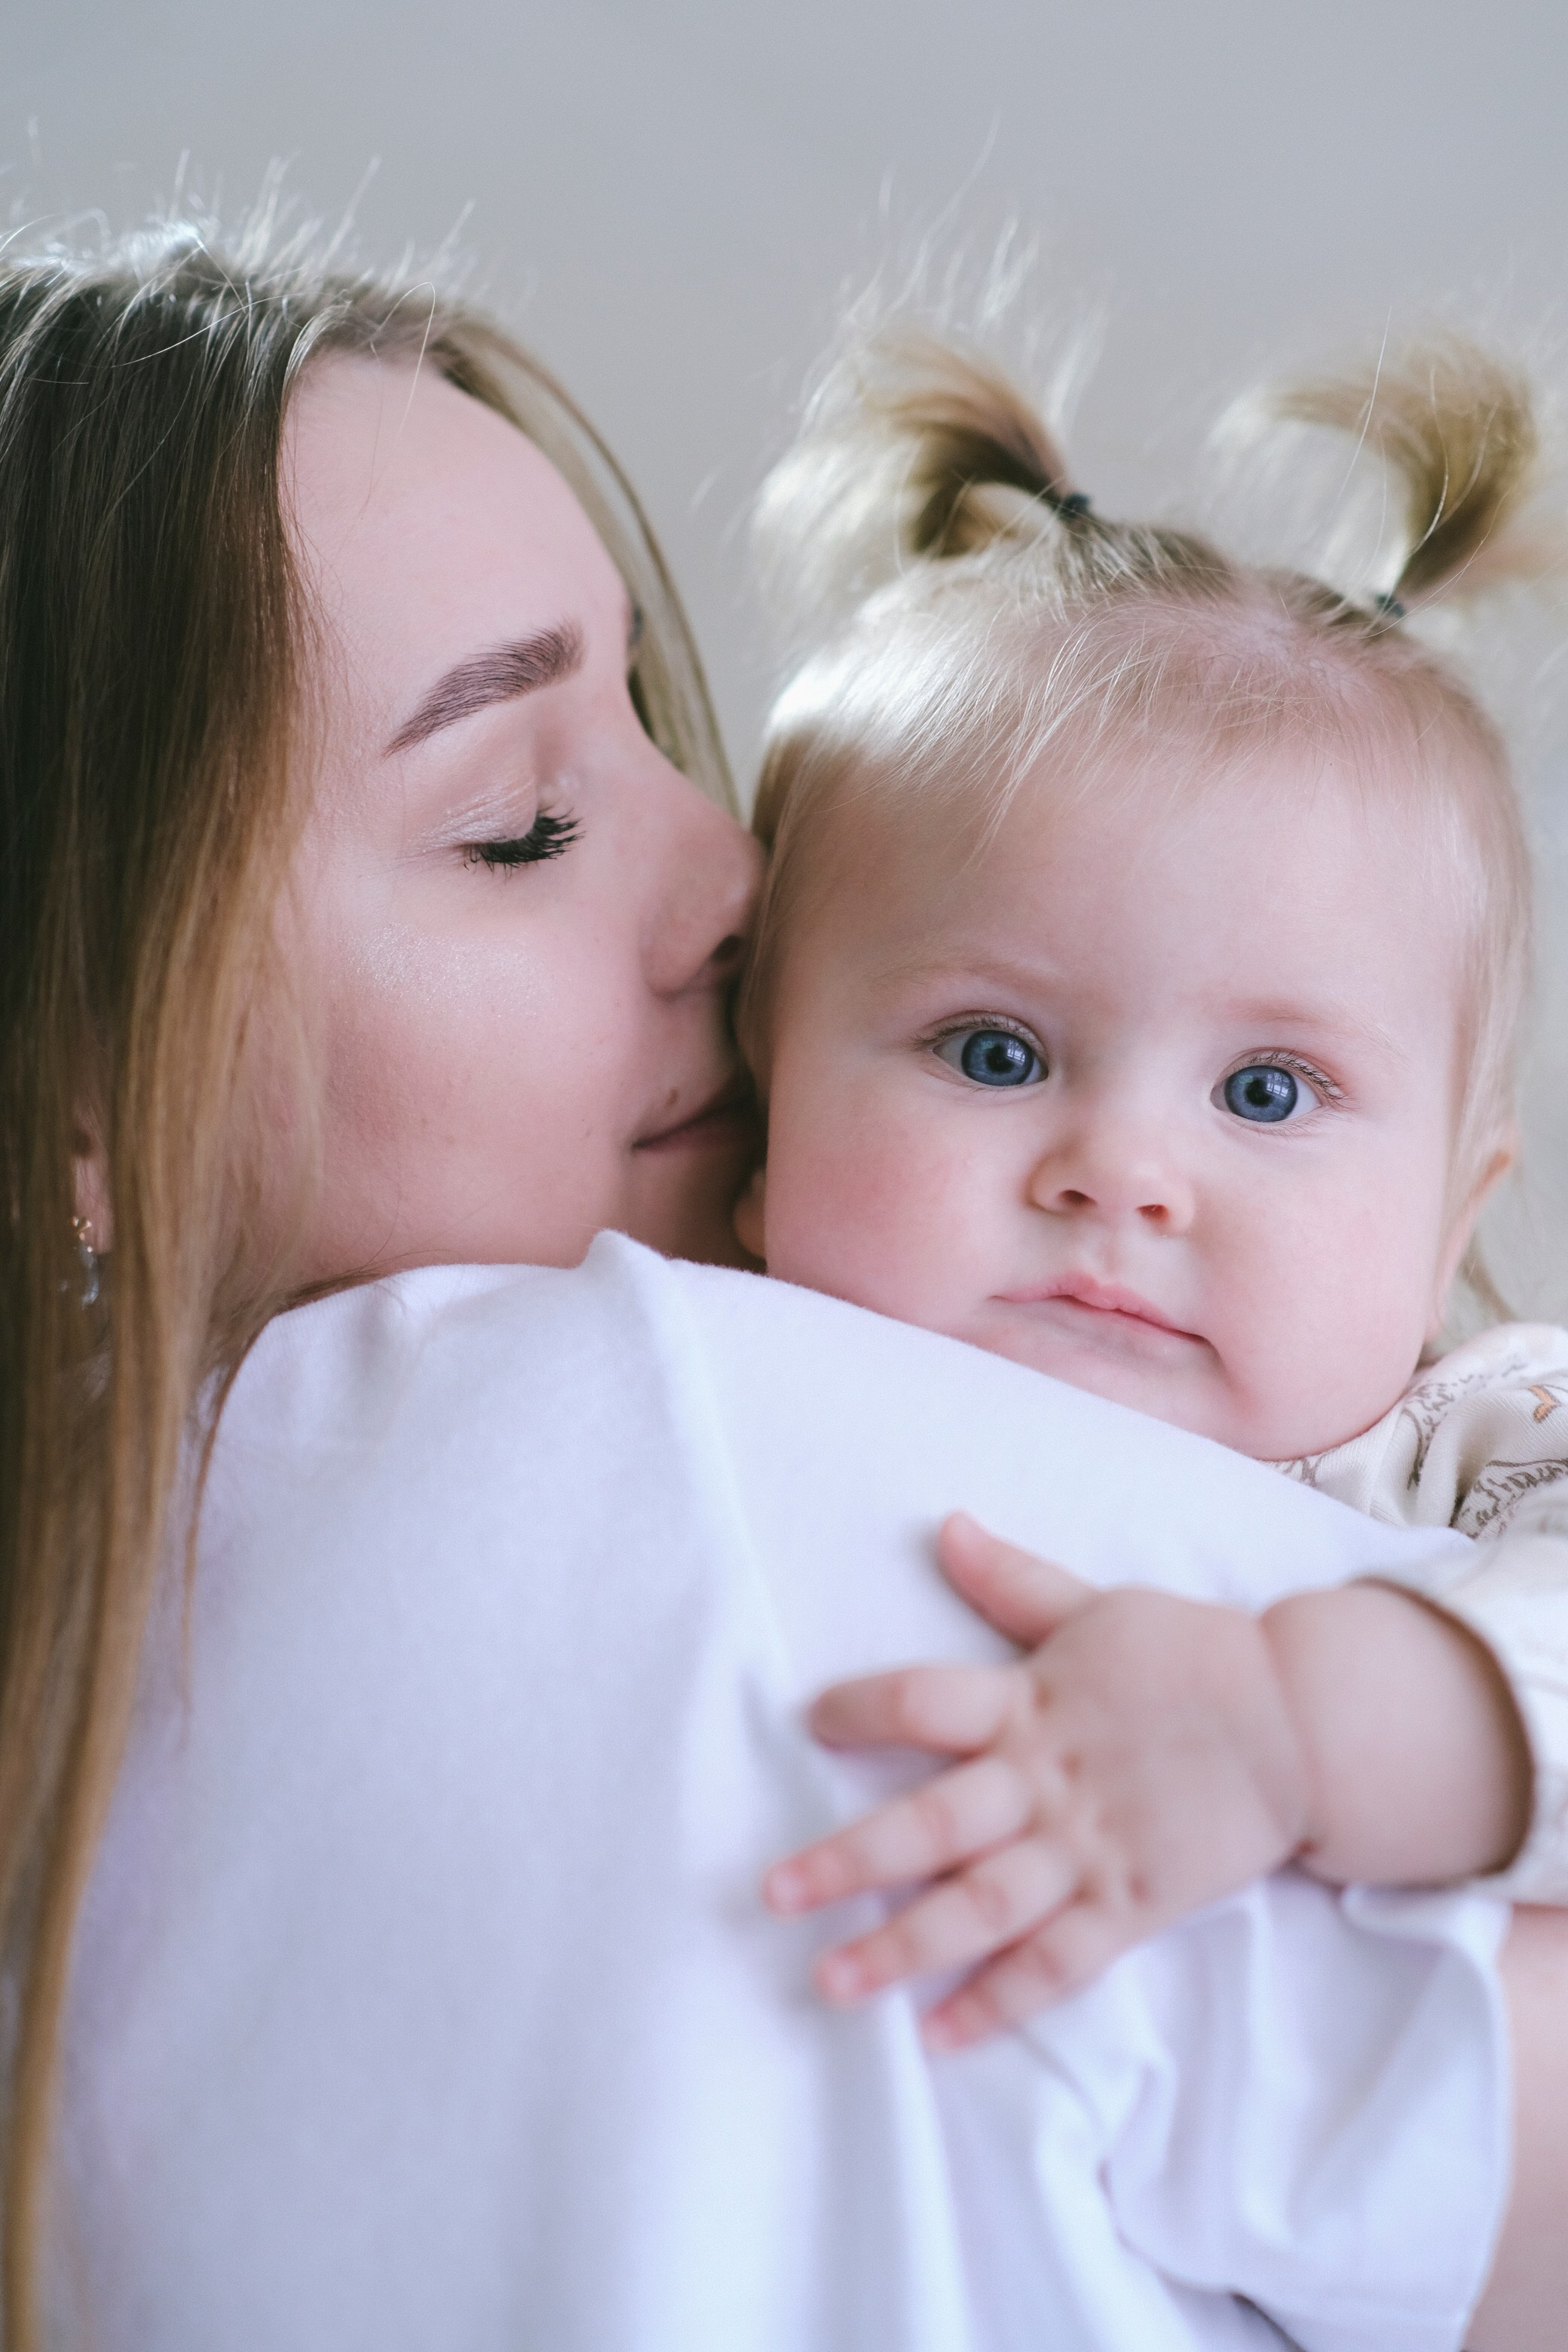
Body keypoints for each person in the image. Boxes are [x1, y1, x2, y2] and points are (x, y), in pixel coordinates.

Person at [0, 219, 1560, 2350]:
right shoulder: (626, 1416)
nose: (739, 877)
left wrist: (1350, 1720)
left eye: (644, 714)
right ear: (72, 1103)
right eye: (523, 822)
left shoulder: (1485, 1438)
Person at [728, 330, 1568, 2053]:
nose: (1117, 1170)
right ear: (759, 1104)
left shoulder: (1472, 1460)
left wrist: (1309, 1725)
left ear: (1447, 1219)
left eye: (1266, 1092)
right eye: (989, 1051)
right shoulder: (697, 1362)